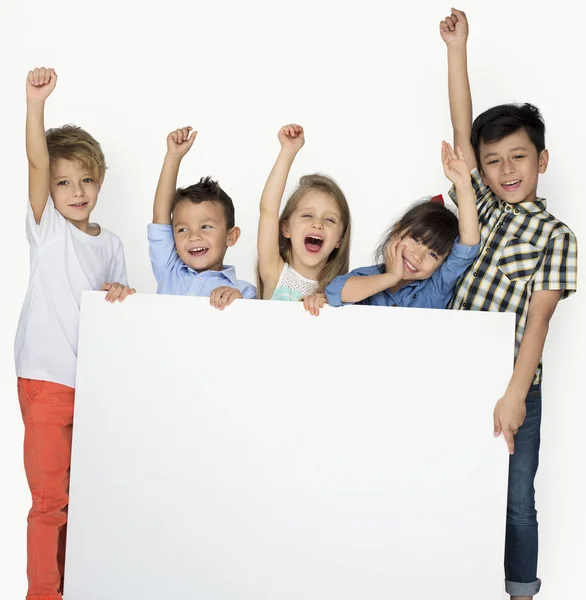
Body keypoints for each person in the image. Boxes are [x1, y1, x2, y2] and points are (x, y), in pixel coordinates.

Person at [440, 9, 578, 598]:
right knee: (450, 483)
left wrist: (515, 396)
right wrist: (457, 49)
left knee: (516, 500)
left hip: (516, 386)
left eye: (517, 157)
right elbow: (461, 125)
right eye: (493, 162)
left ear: (541, 161)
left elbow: (539, 321)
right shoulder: (486, 207)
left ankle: (521, 590)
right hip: (454, 374)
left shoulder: (557, 236)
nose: (505, 170)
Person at [16, 67, 134, 600]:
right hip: (45, 380)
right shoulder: (47, 229)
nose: (76, 191)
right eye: (63, 182)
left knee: (80, 499)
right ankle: (43, 593)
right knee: (49, 502)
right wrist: (35, 104)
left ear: (100, 181)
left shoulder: (110, 244)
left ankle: (71, 585)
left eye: (85, 179)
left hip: (91, 389)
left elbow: (119, 311)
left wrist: (120, 295)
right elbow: (37, 160)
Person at [325, 142, 480, 308]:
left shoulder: (436, 288)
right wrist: (392, 276)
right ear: (396, 231)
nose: (417, 255)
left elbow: (468, 246)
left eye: (433, 254)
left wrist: (463, 184)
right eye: (416, 240)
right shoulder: (365, 277)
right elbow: (335, 291)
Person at [148, 126, 256, 308]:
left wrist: (239, 305)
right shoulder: (169, 270)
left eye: (205, 226)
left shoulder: (244, 292)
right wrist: (173, 157)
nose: (194, 236)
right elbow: (160, 216)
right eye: (182, 229)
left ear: (231, 236)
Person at [257, 124, 351, 315]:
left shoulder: (339, 291)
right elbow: (268, 210)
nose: (317, 224)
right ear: (286, 228)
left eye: (330, 220)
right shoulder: (274, 273)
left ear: (339, 240)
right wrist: (288, 151)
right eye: (307, 215)